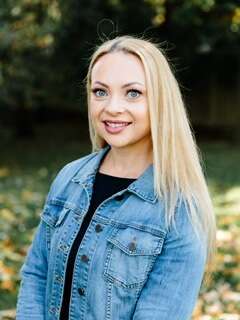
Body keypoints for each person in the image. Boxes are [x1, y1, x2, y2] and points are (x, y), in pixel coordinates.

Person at [16, 35, 217, 320]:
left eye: (132, 93)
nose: (112, 107)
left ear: (160, 101)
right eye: (100, 91)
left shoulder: (179, 209)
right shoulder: (69, 178)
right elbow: (37, 274)